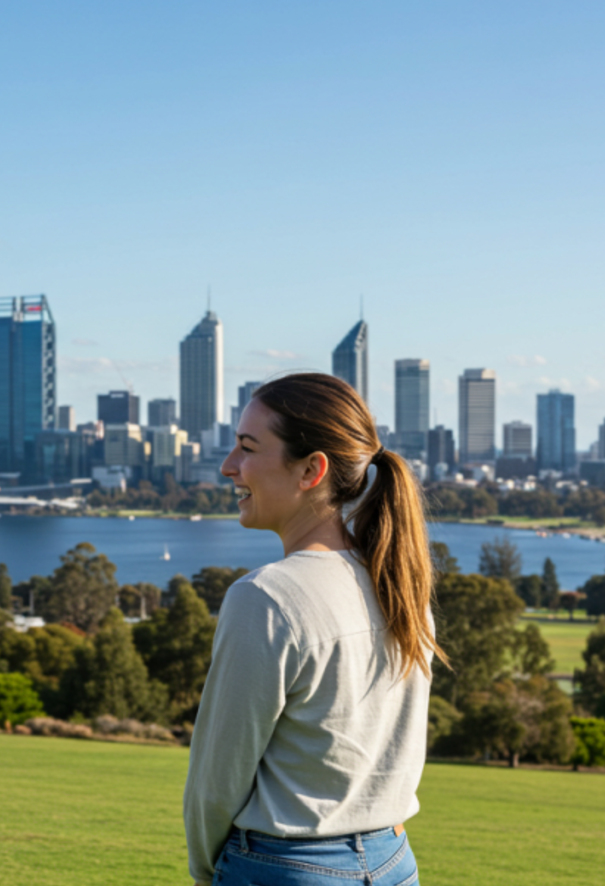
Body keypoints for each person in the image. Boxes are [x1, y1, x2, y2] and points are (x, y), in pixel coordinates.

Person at [183, 373, 444, 886]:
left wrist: (205, 871)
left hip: (283, 869)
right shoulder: (401, 586)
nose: (228, 466)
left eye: (247, 447)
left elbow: (217, 780)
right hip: (395, 864)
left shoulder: (266, 598)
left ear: (310, 470)